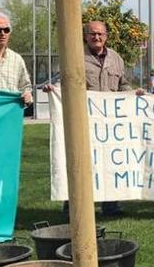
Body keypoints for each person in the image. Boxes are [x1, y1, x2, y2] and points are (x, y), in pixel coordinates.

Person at [43, 21, 145, 218]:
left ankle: (111, 206)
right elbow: (63, 81)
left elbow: (122, 84)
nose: (96, 37)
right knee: (79, 161)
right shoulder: (75, 56)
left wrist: (133, 93)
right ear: (85, 36)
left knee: (111, 161)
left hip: (110, 124)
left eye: (100, 34)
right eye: (92, 34)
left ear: (106, 36)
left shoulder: (116, 58)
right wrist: (53, 89)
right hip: (83, 121)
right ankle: (72, 205)